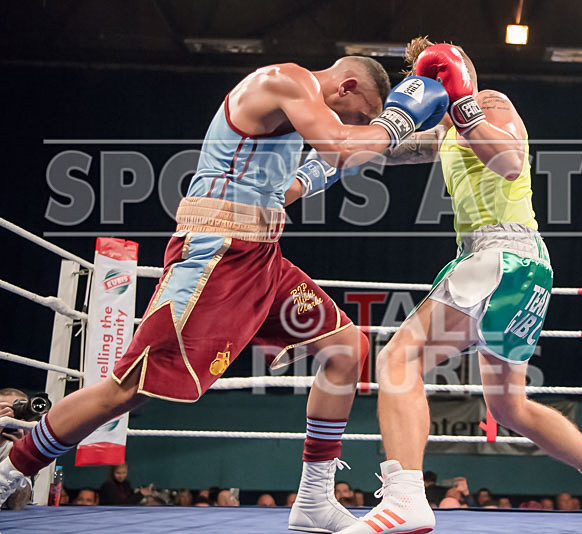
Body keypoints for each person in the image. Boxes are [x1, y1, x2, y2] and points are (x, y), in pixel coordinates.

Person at [0, 56, 449, 534]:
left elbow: (314, 174)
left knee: (345, 347)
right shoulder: (286, 80)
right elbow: (342, 146)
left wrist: (442, 134)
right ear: (348, 86)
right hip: (217, 251)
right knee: (128, 389)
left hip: (262, 257)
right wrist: (398, 117)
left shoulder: (298, 113)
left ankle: (315, 500)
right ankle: (9, 469)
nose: (357, 124)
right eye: (362, 114)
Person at [337, 37, 582, 534]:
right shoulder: (444, 129)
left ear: (454, 78)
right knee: (509, 405)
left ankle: (406, 499)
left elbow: (510, 162)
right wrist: (320, 134)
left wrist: (463, 103)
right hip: (520, 267)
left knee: (398, 358)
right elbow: (376, 154)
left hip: (501, 256)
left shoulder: (488, 104)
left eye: (434, 79)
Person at [0, 388, 31, 510]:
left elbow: (16, 504)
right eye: (4, 410)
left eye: (18, 411)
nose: (11, 417)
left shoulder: (25, 446)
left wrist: (22, 455)